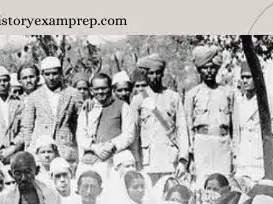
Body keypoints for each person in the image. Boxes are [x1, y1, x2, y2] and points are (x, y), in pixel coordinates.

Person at [131, 54, 189, 184]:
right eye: (151, 73)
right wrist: (136, 161)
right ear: (145, 74)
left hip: (170, 160)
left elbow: (182, 130)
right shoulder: (138, 99)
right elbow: (133, 134)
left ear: (162, 74)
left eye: (158, 73)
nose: (154, 77)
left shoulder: (173, 97)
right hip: (147, 162)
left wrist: (183, 160)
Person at [185, 46, 235, 183]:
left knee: (224, 182)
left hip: (223, 142)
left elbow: (234, 124)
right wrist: (191, 154)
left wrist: (234, 150)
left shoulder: (228, 92)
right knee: (202, 183)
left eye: (212, 67)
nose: (208, 71)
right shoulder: (192, 94)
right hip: (202, 142)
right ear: (199, 69)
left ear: (217, 68)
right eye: (205, 68)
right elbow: (189, 126)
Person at [21, 57, 84, 165]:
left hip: (65, 148)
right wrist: (29, 148)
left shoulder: (73, 93)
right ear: (42, 75)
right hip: (41, 148)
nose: (51, 77)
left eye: (54, 73)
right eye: (47, 74)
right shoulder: (34, 96)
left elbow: (81, 122)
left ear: (60, 73)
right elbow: (28, 126)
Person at [76, 73, 136, 182]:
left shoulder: (122, 106)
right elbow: (80, 134)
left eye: (104, 88)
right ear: (91, 90)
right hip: (91, 160)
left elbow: (129, 134)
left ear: (111, 88)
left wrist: (111, 145)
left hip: (114, 160)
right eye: (97, 89)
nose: (100, 92)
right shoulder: (87, 108)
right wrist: (94, 147)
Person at [233, 61, 273, 180]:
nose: (245, 81)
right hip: (243, 160)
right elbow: (236, 133)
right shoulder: (239, 102)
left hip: (262, 162)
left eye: (248, 77)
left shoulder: (270, 101)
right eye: (242, 77)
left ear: (257, 77)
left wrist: (268, 155)